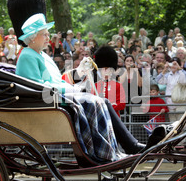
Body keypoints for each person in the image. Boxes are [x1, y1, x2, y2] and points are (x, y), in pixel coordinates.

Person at [14, 12, 144, 162]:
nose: (49, 38)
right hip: (48, 103)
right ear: (33, 37)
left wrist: (78, 73)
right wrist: (72, 89)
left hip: (58, 98)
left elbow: (58, 81)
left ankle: (126, 146)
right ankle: (104, 153)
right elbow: (37, 87)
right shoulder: (27, 56)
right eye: (44, 34)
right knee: (93, 102)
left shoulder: (42, 56)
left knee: (103, 101)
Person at [94, 46, 126, 117]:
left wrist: (107, 107)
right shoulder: (95, 86)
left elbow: (122, 104)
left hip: (113, 116)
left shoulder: (117, 86)